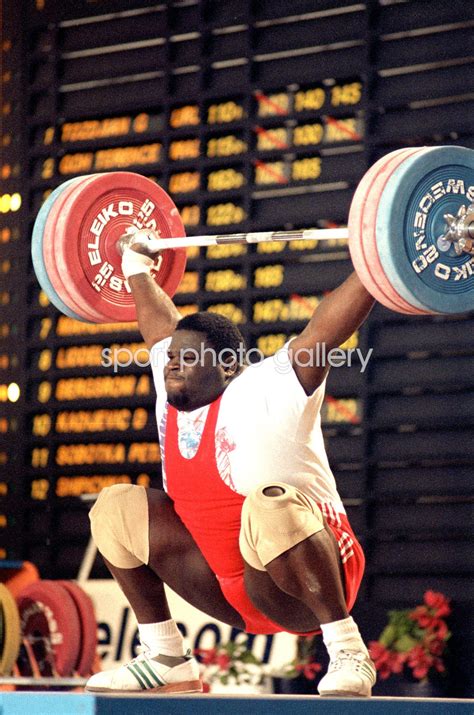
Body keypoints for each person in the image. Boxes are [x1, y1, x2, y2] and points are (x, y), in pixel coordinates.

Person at [86, 235, 377, 697]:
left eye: (186, 358)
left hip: (303, 582)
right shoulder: (173, 388)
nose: (171, 365)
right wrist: (135, 265)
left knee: (269, 503)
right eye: (171, 358)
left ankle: (348, 650)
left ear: (226, 365)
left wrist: (377, 265)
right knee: (115, 506)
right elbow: (159, 326)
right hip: (225, 591)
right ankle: (166, 657)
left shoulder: (271, 388)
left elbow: (324, 332)